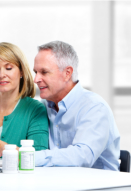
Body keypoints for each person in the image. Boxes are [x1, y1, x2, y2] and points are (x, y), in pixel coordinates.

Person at [33, 41, 120, 171]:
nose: (36, 79)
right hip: (61, 182)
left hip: (99, 186)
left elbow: (81, 157)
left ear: (67, 73)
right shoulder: (43, 107)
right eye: (36, 72)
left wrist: (30, 157)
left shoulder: (94, 107)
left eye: (44, 72)